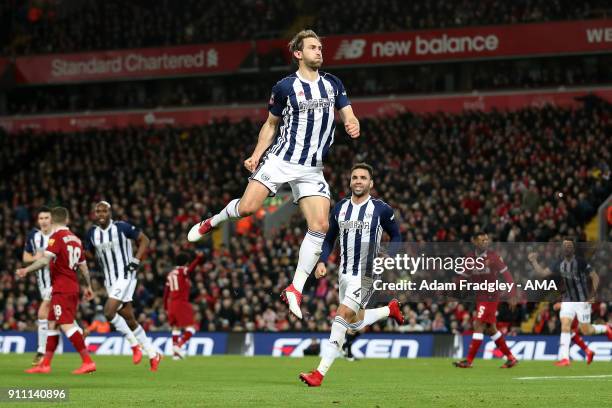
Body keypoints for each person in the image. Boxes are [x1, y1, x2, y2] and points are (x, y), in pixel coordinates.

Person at [188, 29, 360, 320]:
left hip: (312, 167)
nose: (319, 52)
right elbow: (270, 125)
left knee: (320, 223)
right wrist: (256, 155)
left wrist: (352, 123)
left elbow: (348, 112)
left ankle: (295, 288)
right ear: (298, 53)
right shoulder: (285, 87)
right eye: (313, 48)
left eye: (320, 47)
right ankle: (212, 221)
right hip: (281, 159)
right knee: (247, 208)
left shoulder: (333, 83)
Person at [299, 163, 404, 387]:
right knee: (353, 323)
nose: (358, 181)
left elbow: (397, 236)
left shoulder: (381, 209)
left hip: (367, 273)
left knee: (342, 316)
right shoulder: (340, 208)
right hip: (344, 273)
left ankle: (319, 373)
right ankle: (389, 310)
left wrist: (390, 255)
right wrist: (322, 261)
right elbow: (329, 239)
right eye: (355, 177)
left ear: (371, 183)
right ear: (350, 181)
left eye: (363, 178)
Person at [17, 207, 96, 374]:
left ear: (52, 221)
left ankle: (88, 361)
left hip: (62, 288)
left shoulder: (56, 237)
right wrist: (88, 286)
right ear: (67, 220)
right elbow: (84, 266)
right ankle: (45, 364)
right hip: (70, 286)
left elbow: (45, 260)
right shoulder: (75, 239)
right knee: (52, 324)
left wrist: (27, 270)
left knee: (66, 324)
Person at [85, 201, 162, 371]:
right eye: (98, 211)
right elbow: (87, 252)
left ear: (110, 212)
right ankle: (152, 353)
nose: (101, 214)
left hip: (126, 275)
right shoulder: (92, 233)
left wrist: (135, 261)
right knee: (129, 318)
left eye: (104, 210)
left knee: (108, 311)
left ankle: (134, 346)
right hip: (110, 280)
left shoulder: (121, 227)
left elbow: (144, 240)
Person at [528, 238, 612, 366]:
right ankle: (565, 358)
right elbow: (543, 273)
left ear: (573, 248)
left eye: (569, 245)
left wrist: (592, 295)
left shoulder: (581, 262)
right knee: (565, 326)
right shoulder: (558, 263)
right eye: (565, 245)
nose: (567, 247)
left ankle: (605, 328)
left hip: (582, 300)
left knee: (586, 330)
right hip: (567, 300)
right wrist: (534, 261)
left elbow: (595, 276)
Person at [453, 231, 518, 369]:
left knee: (478, 324)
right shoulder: (470, 259)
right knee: (491, 329)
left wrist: (512, 294)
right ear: (474, 241)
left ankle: (469, 361)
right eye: (482, 240)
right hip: (480, 297)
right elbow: (462, 278)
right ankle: (511, 358)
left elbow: (508, 276)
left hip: (491, 296)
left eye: (487, 240)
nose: (485, 242)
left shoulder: (494, 258)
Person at [22, 206, 54, 366]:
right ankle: (82, 336)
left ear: (51, 219)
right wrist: (37, 257)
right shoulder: (33, 236)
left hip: (57, 282)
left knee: (42, 314)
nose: (43, 221)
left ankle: (41, 351)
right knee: (61, 320)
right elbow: (26, 257)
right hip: (42, 283)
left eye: (46, 218)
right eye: (41, 218)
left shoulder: (58, 235)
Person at [163, 251, 204, 359]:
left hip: (171, 304)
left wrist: (165, 307)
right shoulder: (182, 270)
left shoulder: (170, 274)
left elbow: (166, 293)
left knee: (176, 328)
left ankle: (175, 355)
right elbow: (190, 270)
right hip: (181, 303)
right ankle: (179, 346)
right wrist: (198, 259)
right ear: (186, 262)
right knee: (193, 327)